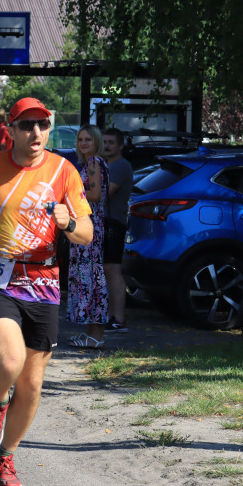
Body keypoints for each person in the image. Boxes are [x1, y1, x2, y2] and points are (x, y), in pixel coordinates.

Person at [0, 97, 92, 486]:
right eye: (27, 125)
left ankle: (5, 457)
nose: (36, 133)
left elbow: (86, 235)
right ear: (10, 129)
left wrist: (69, 221)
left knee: (33, 383)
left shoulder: (64, 171)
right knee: (10, 361)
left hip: (44, 283)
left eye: (43, 125)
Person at [67, 124, 110, 348]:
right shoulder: (91, 163)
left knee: (92, 277)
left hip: (90, 224)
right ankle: (89, 333)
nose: (84, 143)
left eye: (88, 140)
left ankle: (97, 335)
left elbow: (94, 195)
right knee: (87, 276)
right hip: (88, 222)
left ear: (96, 142)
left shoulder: (94, 162)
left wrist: (71, 195)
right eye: (81, 139)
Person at [101, 127, 134, 333]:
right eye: (104, 142)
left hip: (114, 222)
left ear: (121, 145)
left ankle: (118, 319)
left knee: (113, 270)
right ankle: (111, 316)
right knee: (107, 270)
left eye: (111, 142)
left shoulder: (121, 166)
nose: (106, 146)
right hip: (106, 222)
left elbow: (104, 193)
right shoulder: (106, 164)